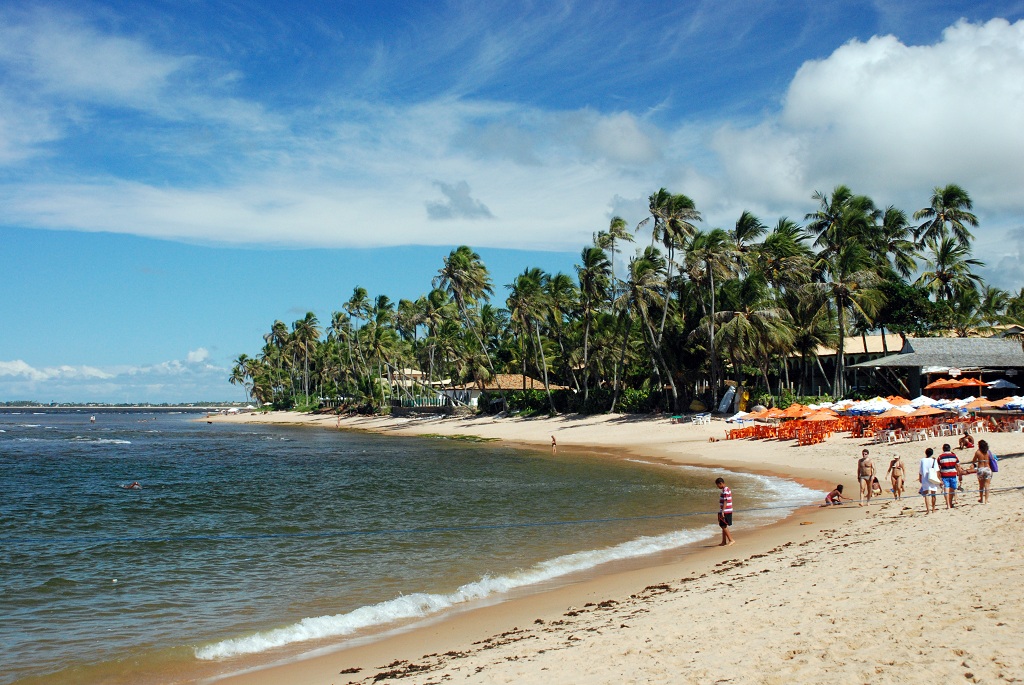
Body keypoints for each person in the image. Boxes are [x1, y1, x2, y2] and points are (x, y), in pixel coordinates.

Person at [937, 443, 960, 509]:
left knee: (946, 490)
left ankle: (948, 505)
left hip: (944, 474)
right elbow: (957, 465)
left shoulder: (940, 457)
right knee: (952, 490)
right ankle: (950, 502)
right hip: (953, 474)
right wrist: (959, 473)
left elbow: (938, 468)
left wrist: (939, 477)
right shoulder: (954, 456)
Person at [973, 439, 994, 504]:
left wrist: (975, 465)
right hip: (987, 469)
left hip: (981, 469)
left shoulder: (977, 452)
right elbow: (992, 459)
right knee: (987, 485)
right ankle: (986, 500)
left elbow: (973, 461)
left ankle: (981, 499)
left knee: (981, 485)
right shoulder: (988, 452)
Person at [918, 447, 939, 514]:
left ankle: (928, 510)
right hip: (932, 477)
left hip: (925, 478)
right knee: (933, 493)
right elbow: (937, 470)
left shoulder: (922, 460)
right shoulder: (934, 460)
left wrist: (920, 478)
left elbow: (920, 471)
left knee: (926, 494)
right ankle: (933, 508)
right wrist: (939, 478)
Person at [715, 477, 735, 546]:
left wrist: (722, 511)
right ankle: (724, 541)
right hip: (725, 510)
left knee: (723, 525)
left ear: (721, 483)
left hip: (726, 510)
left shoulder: (726, 490)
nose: (718, 487)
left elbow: (725, 501)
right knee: (723, 525)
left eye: (718, 485)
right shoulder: (724, 490)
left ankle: (731, 540)